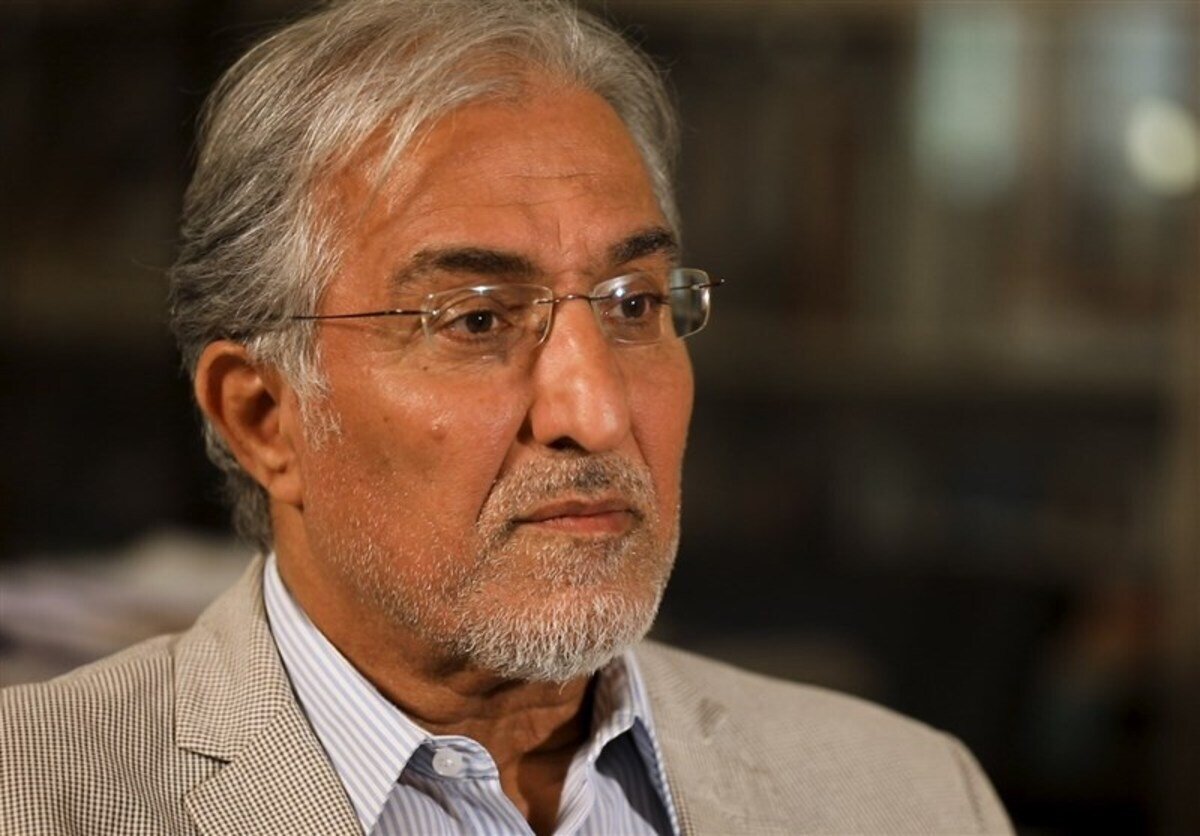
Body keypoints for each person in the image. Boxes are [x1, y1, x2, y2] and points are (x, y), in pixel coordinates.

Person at [2, 1, 1012, 833]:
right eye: (478, 319)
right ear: (264, 416)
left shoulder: (912, 795)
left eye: (634, 305)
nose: (595, 410)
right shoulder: (37, 795)